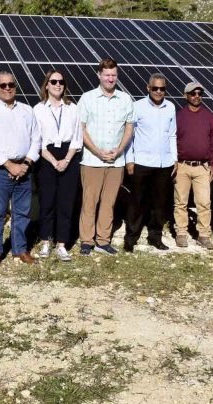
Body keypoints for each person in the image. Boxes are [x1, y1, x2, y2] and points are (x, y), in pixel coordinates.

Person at [0, 70, 41, 266]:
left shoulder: (27, 111)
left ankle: (20, 249)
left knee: (22, 212)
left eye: (11, 85)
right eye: (2, 85)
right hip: (0, 170)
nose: (7, 88)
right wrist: (9, 165)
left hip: (24, 167)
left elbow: (36, 138)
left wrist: (26, 163)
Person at [77, 58, 133, 256]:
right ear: (99, 75)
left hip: (116, 161)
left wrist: (119, 150)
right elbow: (81, 129)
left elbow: (129, 127)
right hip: (92, 161)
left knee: (109, 203)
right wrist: (97, 151)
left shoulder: (125, 100)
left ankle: (103, 240)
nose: (110, 78)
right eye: (107, 75)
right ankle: (86, 240)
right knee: (89, 202)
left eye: (114, 75)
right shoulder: (87, 98)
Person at [32, 69, 83, 262]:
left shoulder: (72, 108)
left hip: (69, 156)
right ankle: (45, 240)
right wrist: (54, 161)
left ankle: (62, 244)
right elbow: (37, 141)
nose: (58, 85)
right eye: (53, 82)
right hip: (47, 157)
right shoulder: (38, 109)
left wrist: (67, 160)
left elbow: (77, 138)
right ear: (47, 85)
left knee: (66, 202)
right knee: (47, 201)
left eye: (61, 81)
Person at [125, 73, 177, 251]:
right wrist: (129, 160)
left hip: (164, 164)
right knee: (137, 202)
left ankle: (155, 237)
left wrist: (174, 158)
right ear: (148, 88)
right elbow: (129, 136)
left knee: (159, 203)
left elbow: (172, 134)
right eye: (155, 88)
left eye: (162, 89)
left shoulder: (170, 107)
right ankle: (131, 238)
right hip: (141, 162)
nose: (158, 91)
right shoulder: (137, 106)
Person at [174, 81, 213, 250]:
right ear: (186, 95)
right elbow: (172, 141)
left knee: (204, 202)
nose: (196, 96)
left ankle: (204, 235)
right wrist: (174, 163)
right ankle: (181, 233)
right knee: (180, 202)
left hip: (202, 167)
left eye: (199, 93)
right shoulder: (179, 116)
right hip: (182, 166)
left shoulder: (208, 117)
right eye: (193, 93)